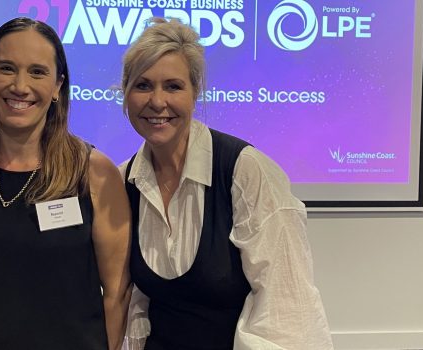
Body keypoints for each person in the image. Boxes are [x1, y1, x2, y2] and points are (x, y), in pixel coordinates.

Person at [119, 18, 334, 350]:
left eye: (173, 86)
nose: (157, 101)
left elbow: (288, 313)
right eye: (143, 85)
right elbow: (135, 305)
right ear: (126, 93)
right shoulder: (125, 181)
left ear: (195, 93)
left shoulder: (246, 172)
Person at [0, 17, 131, 350]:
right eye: (7, 68)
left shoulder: (95, 173)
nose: (20, 86)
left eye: (38, 72)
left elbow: (117, 292)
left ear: (58, 86)